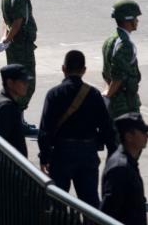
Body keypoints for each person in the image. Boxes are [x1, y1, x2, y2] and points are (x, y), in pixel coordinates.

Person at [38, 50, 117, 208]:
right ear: (84, 70)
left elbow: (45, 129)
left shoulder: (54, 94)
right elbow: (107, 127)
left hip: (61, 153)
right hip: (87, 153)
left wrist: (44, 156)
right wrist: (107, 150)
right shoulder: (94, 94)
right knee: (90, 204)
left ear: (63, 68)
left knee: (57, 204)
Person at [0, 0, 38, 135]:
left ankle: (17, 120)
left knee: (17, 82)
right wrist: (8, 38)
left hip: (14, 44)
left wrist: (5, 38)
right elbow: (17, 22)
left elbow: (6, 19)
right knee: (26, 84)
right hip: (21, 46)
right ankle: (17, 122)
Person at [100, 112, 148, 225]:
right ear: (129, 137)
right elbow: (109, 211)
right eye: (143, 132)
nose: (147, 136)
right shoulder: (120, 168)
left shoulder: (128, 162)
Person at [102, 0, 143, 119]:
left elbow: (106, 73)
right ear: (128, 20)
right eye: (135, 18)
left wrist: (107, 95)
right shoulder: (125, 45)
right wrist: (108, 96)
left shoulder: (110, 40)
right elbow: (118, 76)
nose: (137, 20)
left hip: (116, 103)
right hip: (125, 105)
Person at [0, 64, 31, 156]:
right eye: (23, 82)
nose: (27, 85)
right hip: (5, 167)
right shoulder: (7, 107)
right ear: (10, 83)